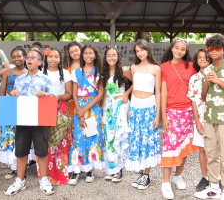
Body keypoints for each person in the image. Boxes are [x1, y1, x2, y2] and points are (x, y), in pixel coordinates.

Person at [194, 34, 224, 200]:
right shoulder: (207, 70)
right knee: (211, 153)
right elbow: (202, 96)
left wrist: (219, 81)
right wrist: (207, 82)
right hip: (209, 117)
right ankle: (214, 187)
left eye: (217, 48)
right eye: (210, 48)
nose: (213, 51)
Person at [4, 48, 56, 196]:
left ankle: (44, 180)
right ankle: (20, 180)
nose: (29, 60)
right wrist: (12, 93)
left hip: (40, 120)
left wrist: (46, 94)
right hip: (23, 120)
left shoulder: (45, 79)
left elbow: (53, 98)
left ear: (40, 62)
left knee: (42, 150)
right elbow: (13, 97)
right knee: (21, 151)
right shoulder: (19, 79)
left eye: (33, 57)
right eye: (28, 57)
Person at [160, 38, 197, 199]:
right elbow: (163, 93)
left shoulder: (191, 67)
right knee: (169, 147)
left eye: (183, 49)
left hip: (188, 112)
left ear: (186, 51)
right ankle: (166, 182)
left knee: (184, 147)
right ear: (172, 49)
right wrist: (163, 116)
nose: (179, 51)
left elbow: (196, 89)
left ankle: (177, 176)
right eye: (177, 48)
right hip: (171, 112)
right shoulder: (164, 67)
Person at [126, 39, 161, 190]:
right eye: (137, 51)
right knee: (136, 139)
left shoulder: (156, 68)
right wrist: (129, 109)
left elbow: (158, 92)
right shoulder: (133, 67)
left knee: (147, 139)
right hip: (134, 105)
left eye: (142, 50)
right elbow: (134, 85)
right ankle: (140, 172)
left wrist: (157, 114)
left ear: (148, 50)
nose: (140, 53)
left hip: (149, 105)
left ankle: (146, 175)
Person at [68, 44, 105, 185]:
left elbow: (100, 94)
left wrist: (85, 110)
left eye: (91, 53)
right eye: (85, 53)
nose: (88, 56)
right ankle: (76, 170)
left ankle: (90, 169)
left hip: (94, 108)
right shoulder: (76, 72)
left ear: (95, 55)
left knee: (93, 138)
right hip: (79, 108)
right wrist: (80, 111)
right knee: (78, 138)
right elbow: (74, 93)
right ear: (82, 56)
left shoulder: (99, 72)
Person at [101, 47, 133, 182]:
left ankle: (119, 169)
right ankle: (110, 169)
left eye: (114, 55)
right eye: (109, 55)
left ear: (118, 56)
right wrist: (103, 109)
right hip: (108, 106)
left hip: (121, 105)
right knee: (108, 137)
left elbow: (136, 84)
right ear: (105, 58)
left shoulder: (124, 70)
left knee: (118, 135)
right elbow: (103, 92)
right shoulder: (104, 73)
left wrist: (126, 94)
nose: (111, 58)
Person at [0, 47, 28, 179]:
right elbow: (2, 91)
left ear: (25, 57)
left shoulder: (29, 72)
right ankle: (13, 167)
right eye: (13, 57)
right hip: (9, 105)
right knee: (10, 137)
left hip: (25, 107)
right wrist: (4, 109)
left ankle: (24, 166)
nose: (16, 59)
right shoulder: (7, 72)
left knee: (23, 136)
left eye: (19, 56)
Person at [42, 47, 73, 184]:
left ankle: (62, 171)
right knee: (45, 139)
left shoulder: (65, 73)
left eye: (56, 56)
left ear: (60, 59)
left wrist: (55, 97)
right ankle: (45, 173)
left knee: (61, 139)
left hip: (60, 107)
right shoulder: (40, 72)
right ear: (46, 58)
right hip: (43, 107)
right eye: (50, 57)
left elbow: (69, 93)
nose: (53, 59)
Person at [188, 48, 212, 193]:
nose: (202, 59)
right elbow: (193, 101)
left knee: (216, 151)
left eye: (205, 57)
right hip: (200, 118)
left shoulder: (215, 75)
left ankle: (217, 179)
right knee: (202, 149)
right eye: (200, 57)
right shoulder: (194, 78)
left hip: (214, 117)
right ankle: (205, 178)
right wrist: (196, 121)